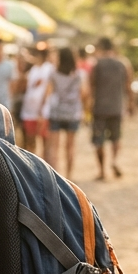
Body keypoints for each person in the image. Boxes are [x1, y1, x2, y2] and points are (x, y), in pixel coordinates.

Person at [87, 37, 133, 180]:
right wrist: (132, 104)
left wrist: (87, 108)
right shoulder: (123, 64)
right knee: (116, 138)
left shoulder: (96, 65)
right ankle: (114, 161)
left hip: (99, 108)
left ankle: (102, 171)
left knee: (98, 140)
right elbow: (128, 86)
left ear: (100, 48)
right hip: (117, 107)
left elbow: (91, 87)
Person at [44, 46, 85, 178]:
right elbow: (83, 93)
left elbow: (48, 92)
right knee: (70, 146)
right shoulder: (79, 74)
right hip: (73, 113)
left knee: (54, 147)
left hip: (56, 112)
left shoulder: (53, 73)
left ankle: (55, 176)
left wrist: (41, 109)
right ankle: (69, 176)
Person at [20, 47, 55, 157]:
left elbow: (49, 89)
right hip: (29, 110)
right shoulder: (33, 69)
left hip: (43, 111)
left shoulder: (49, 69)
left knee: (44, 140)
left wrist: (42, 108)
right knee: (30, 139)